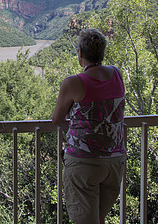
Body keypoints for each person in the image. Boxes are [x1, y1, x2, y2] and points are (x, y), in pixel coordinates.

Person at [52, 28, 126, 224]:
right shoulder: (116, 74)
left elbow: (56, 119)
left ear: (81, 53)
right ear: (102, 53)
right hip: (114, 160)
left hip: (84, 162)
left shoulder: (73, 82)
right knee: (99, 219)